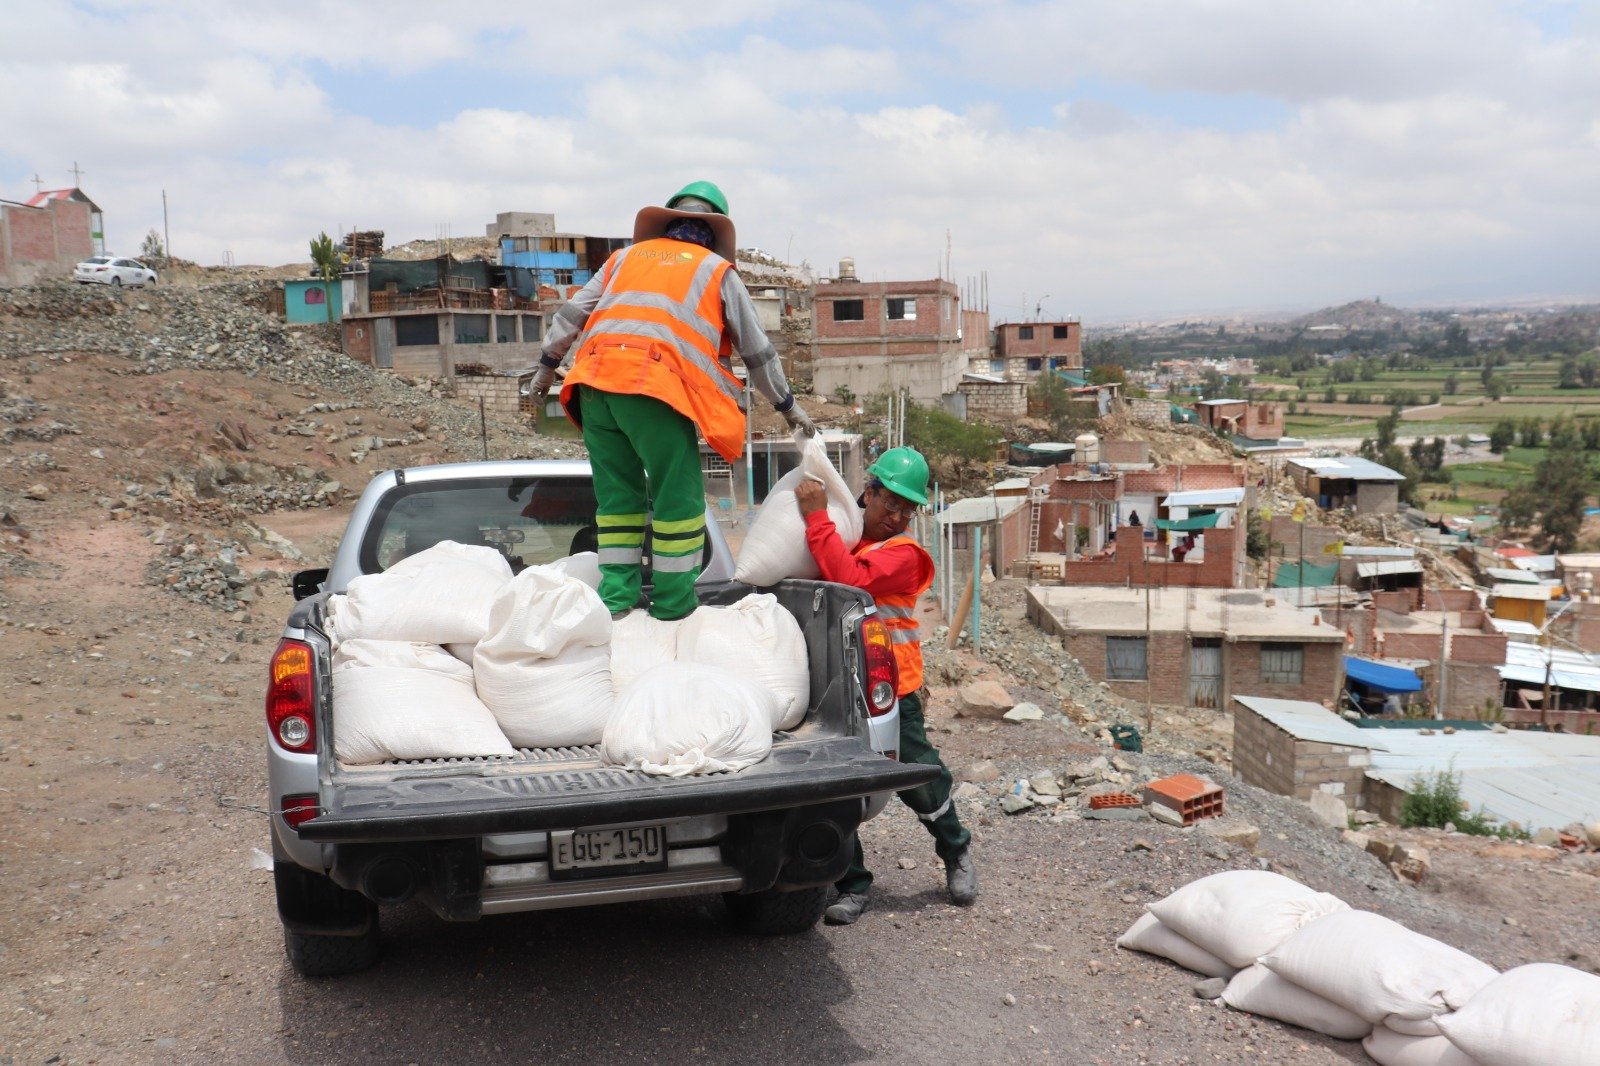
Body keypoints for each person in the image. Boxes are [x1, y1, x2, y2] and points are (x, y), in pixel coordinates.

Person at [528, 181, 814, 621]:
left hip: (592, 387)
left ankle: (617, 603)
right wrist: (788, 406)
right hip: (653, 389)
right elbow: (757, 352)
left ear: (670, 221)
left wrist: (546, 367)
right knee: (677, 501)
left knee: (619, 501)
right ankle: (674, 606)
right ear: (713, 233)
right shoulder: (716, 271)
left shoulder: (623, 259)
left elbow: (571, 314)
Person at [793, 447, 977, 925]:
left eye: (905, 509)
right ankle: (852, 886)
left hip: (893, 694)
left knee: (922, 779)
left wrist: (815, 519)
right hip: (838, 692)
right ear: (867, 493)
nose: (895, 517)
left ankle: (956, 851)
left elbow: (850, 581)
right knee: (841, 791)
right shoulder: (848, 537)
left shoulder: (905, 555)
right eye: (889, 503)